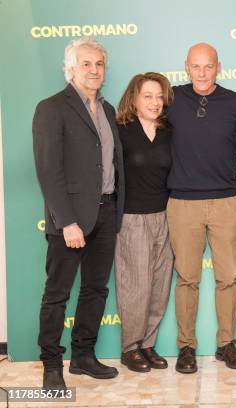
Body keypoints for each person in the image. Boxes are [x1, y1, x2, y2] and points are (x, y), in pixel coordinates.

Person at [32, 37, 125, 388]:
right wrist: (67, 221)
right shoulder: (51, 108)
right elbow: (48, 170)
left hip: (105, 212)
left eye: (99, 64)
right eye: (85, 63)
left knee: (96, 289)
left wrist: (115, 209)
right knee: (57, 292)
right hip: (69, 218)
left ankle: (83, 356)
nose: (93, 70)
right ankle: (52, 364)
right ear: (70, 68)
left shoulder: (108, 110)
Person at [166, 43, 236, 373]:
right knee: (187, 279)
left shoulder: (235, 102)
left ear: (219, 67)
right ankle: (186, 347)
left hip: (227, 202)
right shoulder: (170, 99)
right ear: (186, 67)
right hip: (182, 203)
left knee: (228, 278)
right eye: (196, 66)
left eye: (209, 66)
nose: (202, 73)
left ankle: (226, 345)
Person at [114, 72, 174, 372]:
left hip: (166, 216)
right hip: (132, 218)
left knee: (160, 285)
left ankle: (148, 344)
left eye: (159, 96)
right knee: (136, 286)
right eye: (147, 96)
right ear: (134, 99)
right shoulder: (120, 130)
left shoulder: (169, 130)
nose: (154, 102)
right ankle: (130, 346)